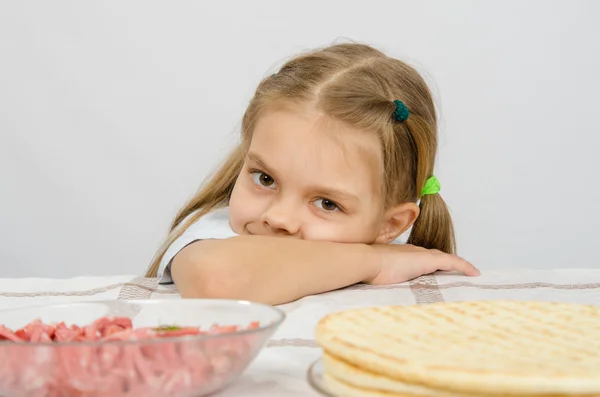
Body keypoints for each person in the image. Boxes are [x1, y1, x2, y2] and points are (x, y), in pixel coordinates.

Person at [145, 42, 480, 305]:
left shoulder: (411, 263)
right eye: (265, 179)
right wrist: (373, 260)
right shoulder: (220, 235)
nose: (278, 218)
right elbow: (216, 281)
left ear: (389, 226)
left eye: (326, 203)